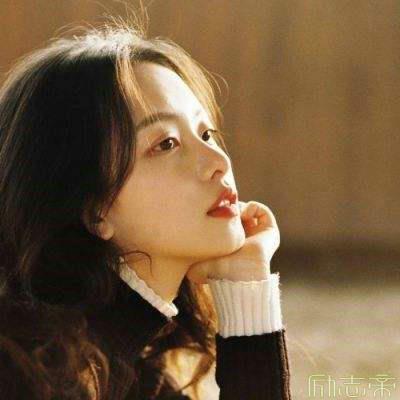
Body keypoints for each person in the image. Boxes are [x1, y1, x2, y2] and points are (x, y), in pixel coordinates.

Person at [0, 14, 292, 400]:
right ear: (94, 209)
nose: (218, 161)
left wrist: (247, 282)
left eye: (207, 133)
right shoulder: (21, 372)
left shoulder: (133, 373)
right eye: (166, 144)